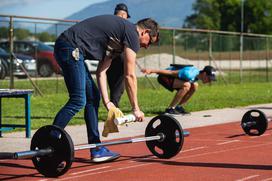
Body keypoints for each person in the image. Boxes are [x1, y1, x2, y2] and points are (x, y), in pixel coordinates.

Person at [53, 14, 159, 163]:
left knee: (93, 98)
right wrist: (136, 108)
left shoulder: (118, 40)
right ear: (145, 32)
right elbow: (129, 75)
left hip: (70, 48)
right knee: (78, 100)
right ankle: (49, 139)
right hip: (70, 47)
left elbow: (101, 72)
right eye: (149, 42)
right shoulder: (132, 33)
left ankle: (96, 149)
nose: (147, 47)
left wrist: (107, 101)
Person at [141, 65, 216, 115]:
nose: (209, 81)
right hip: (164, 77)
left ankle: (179, 107)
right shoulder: (189, 74)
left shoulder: (196, 75)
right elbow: (170, 72)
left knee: (195, 85)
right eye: (209, 78)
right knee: (187, 85)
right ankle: (170, 109)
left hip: (175, 79)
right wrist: (152, 70)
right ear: (204, 74)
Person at [106, 3, 130, 108]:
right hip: (119, 56)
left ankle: (114, 105)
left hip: (108, 57)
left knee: (113, 83)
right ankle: (114, 108)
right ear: (123, 14)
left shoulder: (108, 23)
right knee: (119, 85)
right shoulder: (123, 24)